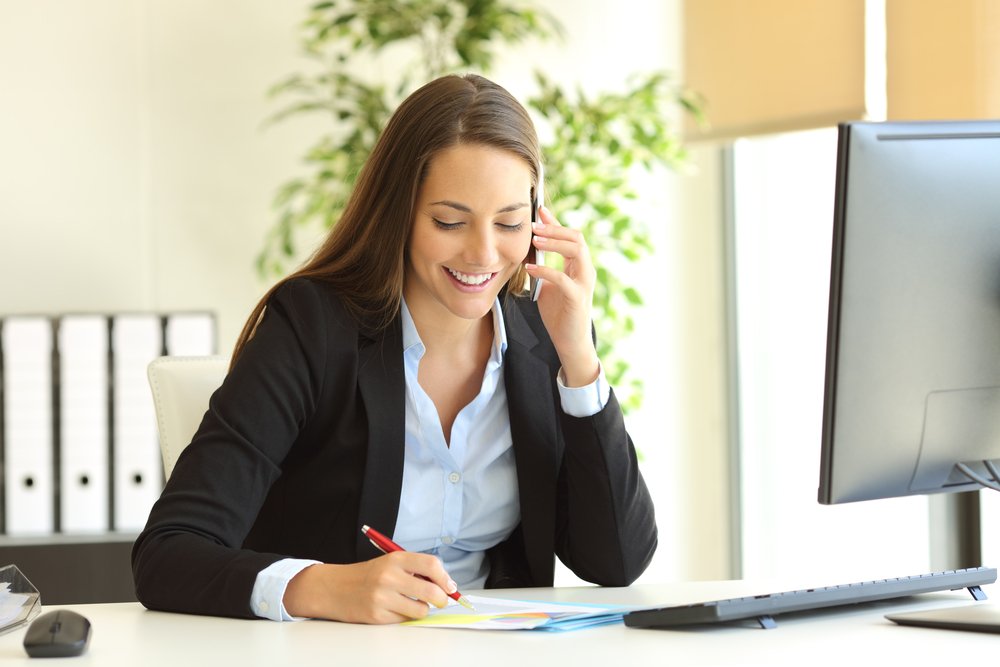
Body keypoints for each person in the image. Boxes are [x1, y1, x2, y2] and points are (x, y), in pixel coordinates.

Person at [131, 73, 657, 624]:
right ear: (398, 212)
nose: (483, 253)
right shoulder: (313, 326)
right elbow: (168, 553)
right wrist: (321, 587)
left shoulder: (546, 337)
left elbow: (616, 561)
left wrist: (579, 360)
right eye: (449, 221)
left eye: (509, 222)